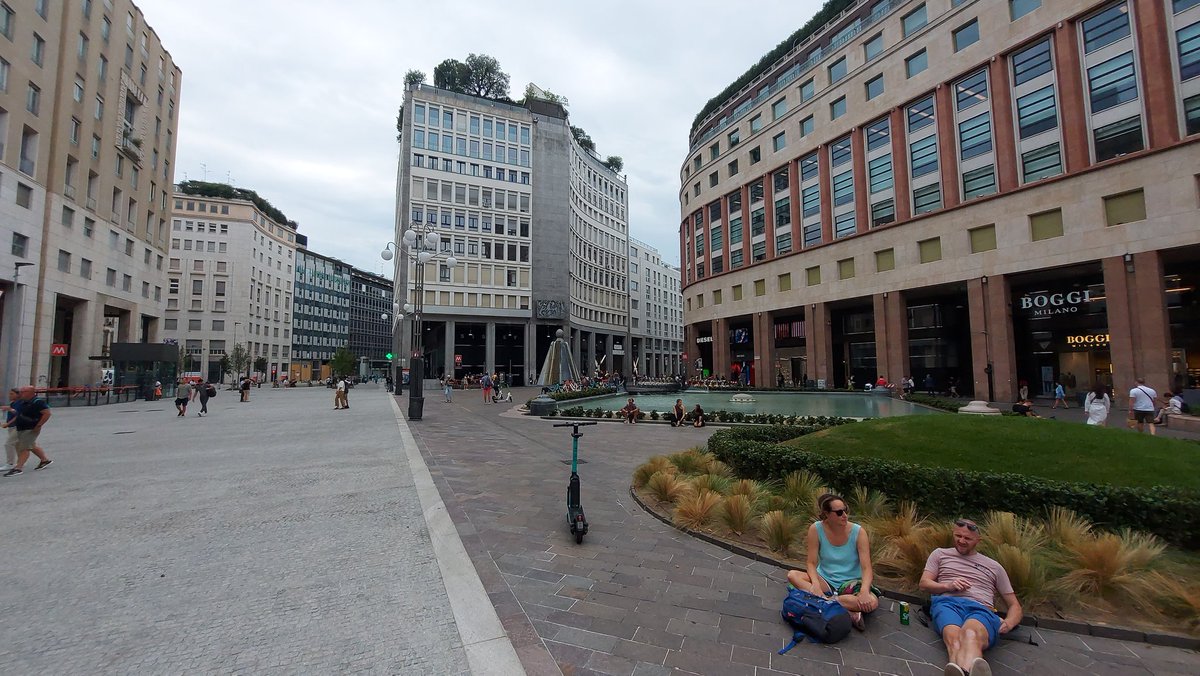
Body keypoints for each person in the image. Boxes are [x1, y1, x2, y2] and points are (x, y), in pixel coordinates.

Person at [920, 518, 1023, 676]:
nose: (961, 541)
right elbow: (924, 584)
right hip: (947, 603)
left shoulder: (994, 566)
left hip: (980, 608)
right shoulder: (940, 554)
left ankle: (960, 671)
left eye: (967, 538)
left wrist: (1009, 623)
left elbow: (1014, 605)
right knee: (953, 640)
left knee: (970, 634)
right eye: (957, 536)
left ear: (978, 540)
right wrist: (948, 585)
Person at [786, 493, 878, 631]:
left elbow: (866, 568)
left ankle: (826, 602)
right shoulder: (816, 529)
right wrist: (816, 585)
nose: (845, 515)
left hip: (851, 582)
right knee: (792, 575)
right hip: (826, 579)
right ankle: (844, 606)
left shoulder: (858, 532)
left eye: (845, 510)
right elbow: (811, 563)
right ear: (827, 514)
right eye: (839, 512)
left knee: (872, 603)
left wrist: (864, 591)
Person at [3, 386, 53, 477]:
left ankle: (18, 468)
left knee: (24, 448)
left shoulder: (38, 402)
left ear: (31, 392)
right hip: (21, 427)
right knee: (31, 445)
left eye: (23, 392)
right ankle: (45, 460)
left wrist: (39, 425)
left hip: (31, 428)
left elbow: (47, 413)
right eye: (21, 391)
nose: (21, 393)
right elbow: (18, 413)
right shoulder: (23, 401)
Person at [2, 388, 23, 472]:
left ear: (18, 395)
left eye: (12, 394)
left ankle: (10, 463)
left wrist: (7, 423)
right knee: (17, 444)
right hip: (12, 426)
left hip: (16, 426)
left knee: (9, 444)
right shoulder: (13, 403)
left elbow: (17, 415)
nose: (9, 396)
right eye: (10, 394)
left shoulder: (20, 403)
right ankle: (20, 461)